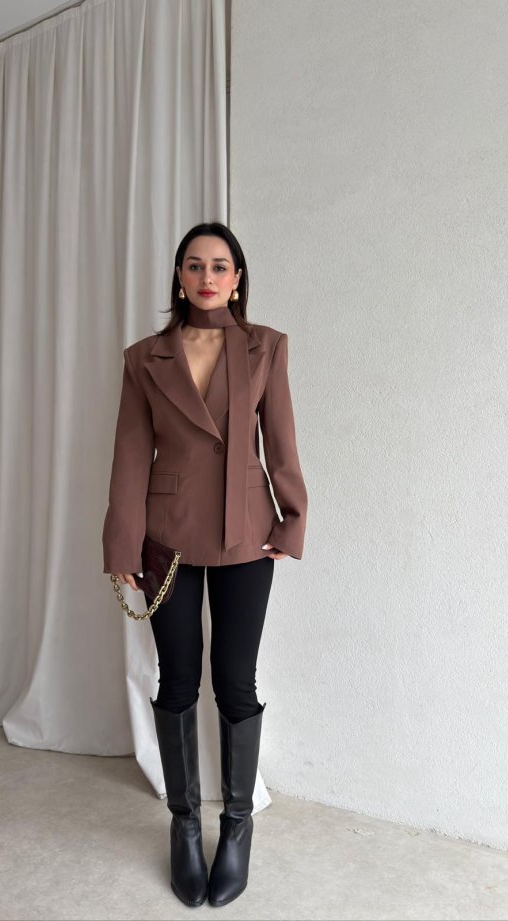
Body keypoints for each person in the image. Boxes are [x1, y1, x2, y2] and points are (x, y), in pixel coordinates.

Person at [102, 222, 308, 908]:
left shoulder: (265, 346)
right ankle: (185, 825)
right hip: (168, 538)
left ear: (237, 279)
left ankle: (237, 826)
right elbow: (131, 455)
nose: (207, 275)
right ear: (180, 277)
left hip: (247, 534)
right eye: (195, 265)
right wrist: (122, 543)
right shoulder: (145, 358)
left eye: (220, 265)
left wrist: (291, 519)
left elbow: (280, 441)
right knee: (178, 679)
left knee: (236, 681)